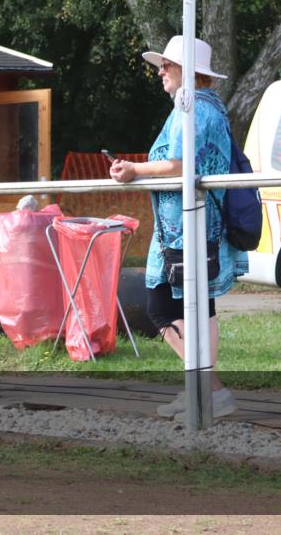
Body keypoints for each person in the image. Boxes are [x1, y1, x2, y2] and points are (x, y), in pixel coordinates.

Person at [109, 36, 247, 419]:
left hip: (189, 226)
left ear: (190, 71)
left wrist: (135, 170)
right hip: (190, 225)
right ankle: (201, 390)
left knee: (162, 306)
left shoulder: (194, 110)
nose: (160, 71)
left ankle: (210, 390)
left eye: (167, 65)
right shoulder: (203, 108)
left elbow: (180, 164)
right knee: (198, 307)